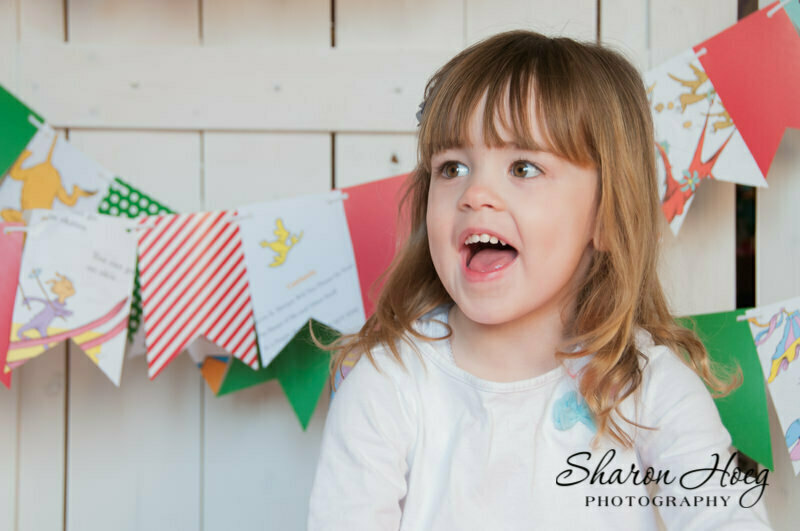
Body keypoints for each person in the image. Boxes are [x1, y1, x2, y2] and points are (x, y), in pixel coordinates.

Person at [307, 30, 773, 530]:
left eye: (524, 167)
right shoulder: (389, 383)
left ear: (606, 217)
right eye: (452, 167)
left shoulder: (651, 390)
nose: (474, 193)